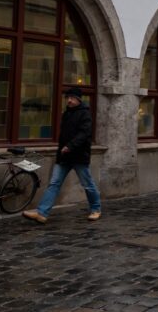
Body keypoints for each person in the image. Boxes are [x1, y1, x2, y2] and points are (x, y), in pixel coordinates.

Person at [23, 88, 101, 223]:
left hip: (78, 156)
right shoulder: (66, 114)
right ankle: (42, 213)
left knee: (87, 184)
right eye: (68, 98)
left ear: (79, 99)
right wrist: (62, 149)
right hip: (64, 156)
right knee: (54, 183)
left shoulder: (85, 114)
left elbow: (84, 134)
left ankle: (96, 209)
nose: (69, 100)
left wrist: (70, 146)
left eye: (72, 98)